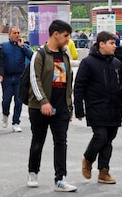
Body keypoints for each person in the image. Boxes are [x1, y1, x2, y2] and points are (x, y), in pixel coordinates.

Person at [74, 30, 122, 186]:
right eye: (112, 43)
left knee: (109, 140)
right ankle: (88, 158)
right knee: (100, 136)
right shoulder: (88, 62)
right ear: (101, 44)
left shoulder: (117, 63)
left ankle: (104, 171)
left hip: (114, 108)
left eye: (115, 43)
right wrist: (79, 107)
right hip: (96, 107)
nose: (115, 46)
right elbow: (79, 86)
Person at [25, 19, 76, 192]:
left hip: (61, 106)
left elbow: (68, 79)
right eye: (66, 35)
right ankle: (33, 171)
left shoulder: (65, 54)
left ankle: (60, 178)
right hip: (39, 107)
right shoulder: (39, 54)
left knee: (61, 141)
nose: (68, 39)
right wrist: (43, 101)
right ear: (56, 34)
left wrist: (69, 106)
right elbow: (34, 79)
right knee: (38, 141)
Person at [0, 26, 33, 132]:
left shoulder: (23, 46)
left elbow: (32, 57)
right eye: (14, 33)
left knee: (19, 101)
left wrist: (23, 47)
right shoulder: (3, 46)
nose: (17, 35)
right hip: (7, 78)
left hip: (20, 78)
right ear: (9, 34)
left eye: (18, 32)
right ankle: (5, 114)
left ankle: (16, 122)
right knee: (6, 100)